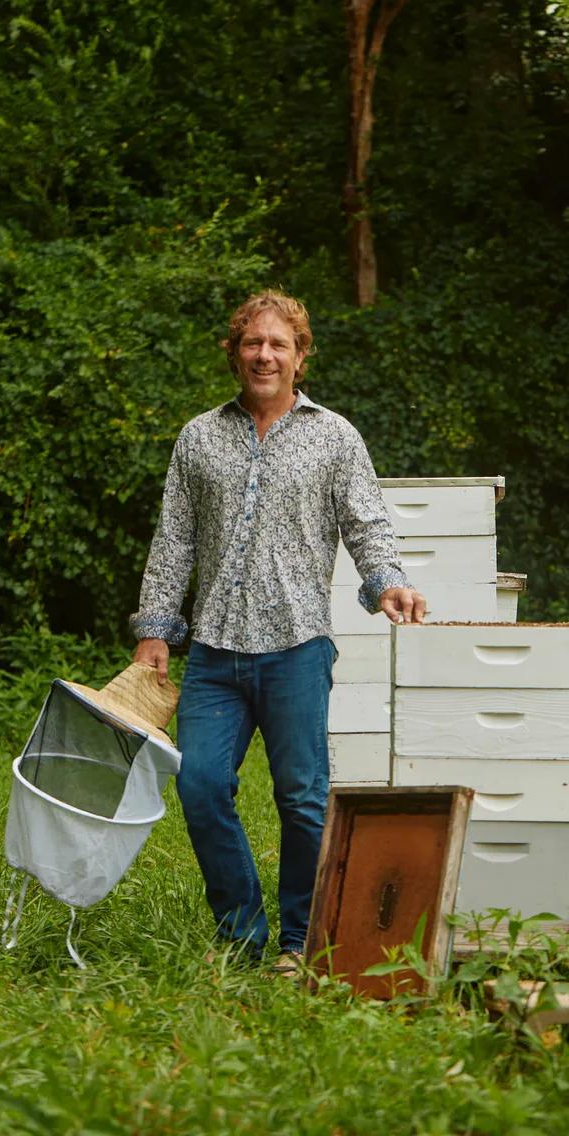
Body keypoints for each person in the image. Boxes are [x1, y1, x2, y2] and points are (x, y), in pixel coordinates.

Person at [130, 290, 425, 971]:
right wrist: (155, 629)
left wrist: (388, 583)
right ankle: (241, 934)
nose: (265, 354)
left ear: (300, 356)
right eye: (252, 343)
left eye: (278, 344)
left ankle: (299, 939)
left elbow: (368, 526)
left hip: (297, 648)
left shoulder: (335, 437)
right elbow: (173, 539)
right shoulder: (199, 438)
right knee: (200, 786)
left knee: (303, 800)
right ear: (235, 353)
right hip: (213, 653)